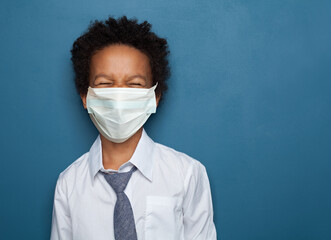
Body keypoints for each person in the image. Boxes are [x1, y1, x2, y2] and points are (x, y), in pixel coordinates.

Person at [50, 15, 217, 240]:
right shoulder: (69, 184)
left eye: (135, 84)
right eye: (105, 83)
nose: (119, 96)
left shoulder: (187, 174)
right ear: (86, 97)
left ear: (154, 97)